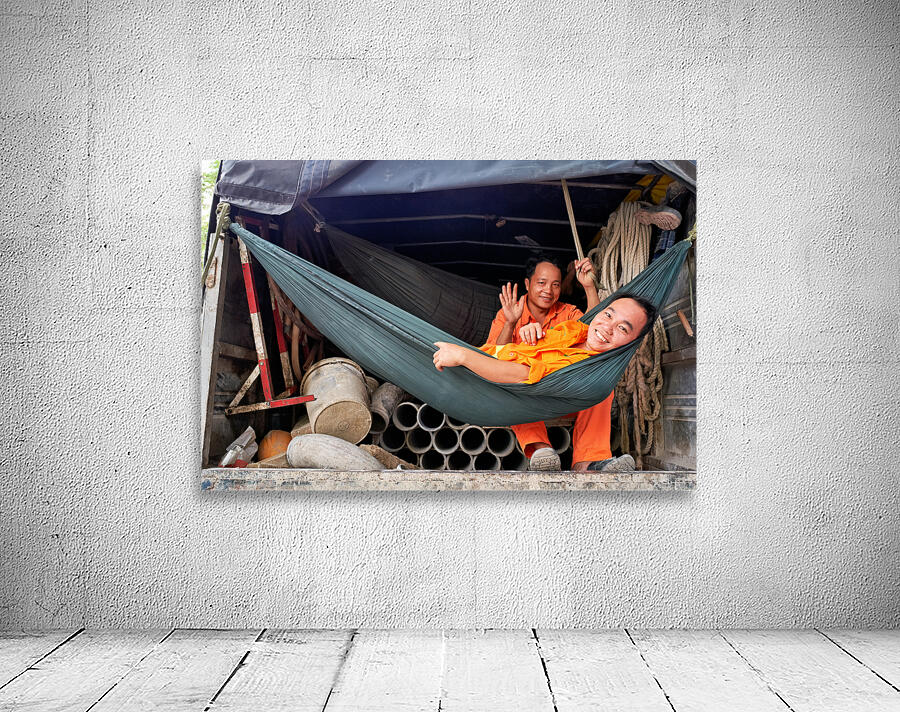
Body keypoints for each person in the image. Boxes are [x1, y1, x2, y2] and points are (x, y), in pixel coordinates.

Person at [433, 291, 657, 473]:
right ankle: (552, 452)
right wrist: (528, 335)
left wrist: (464, 356)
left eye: (622, 328)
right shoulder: (575, 329)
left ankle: (583, 461)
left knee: (599, 388)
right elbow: (522, 355)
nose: (607, 327)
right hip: (479, 368)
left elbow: (519, 375)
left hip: (499, 378)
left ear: (632, 343)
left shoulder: (585, 369)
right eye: (608, 315)